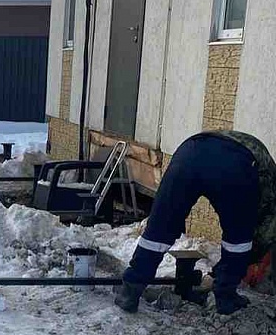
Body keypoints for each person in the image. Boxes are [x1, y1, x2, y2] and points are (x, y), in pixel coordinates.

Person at [115, 130, 276, 315]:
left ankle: (130, 289)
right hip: (233, 166)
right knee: (238, 239)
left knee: (160, 228)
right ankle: (226, 297)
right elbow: (263, 232)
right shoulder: (268, 178)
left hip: (188, 153)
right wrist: (250, 257)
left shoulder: (256, 156)